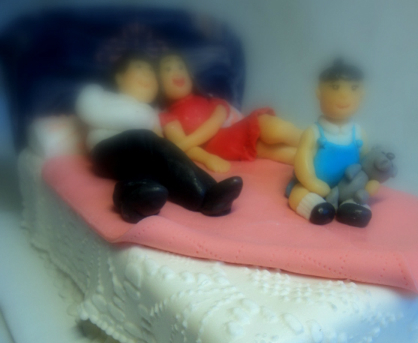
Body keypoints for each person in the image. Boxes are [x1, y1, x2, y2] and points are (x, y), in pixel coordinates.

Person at [76, 51, 243, 223]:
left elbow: (164, 146)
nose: (148, 75)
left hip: (135, 162)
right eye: (140, 67)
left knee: (162, 162)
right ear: (119, 76)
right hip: (105, 151)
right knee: (146, 140)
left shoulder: (154, 114)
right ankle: (204, 194)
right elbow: (90, 112)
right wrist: (145, 119)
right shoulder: (99, 94)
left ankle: (203, 196)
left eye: (152, 73)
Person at [158, 53, 303, 173]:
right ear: (159, 84)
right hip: (224, 148)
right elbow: (183, 147)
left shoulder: (208, 100)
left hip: (234, 131)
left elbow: (213, 122)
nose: (177, 72)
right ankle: (312, 160)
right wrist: (207, 158)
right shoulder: (167, 116)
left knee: (274, 128)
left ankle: (310, 140)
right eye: (168, 69)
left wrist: (183, 145)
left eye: (181, 67)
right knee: (276, 152)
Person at [287, 59, 379, 227]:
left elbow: (366, 161)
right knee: (298, 192)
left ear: (362, 94)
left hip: (348, 188)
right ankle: (316, 208)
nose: (344, 95)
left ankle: (351, 209)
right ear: (319, 93)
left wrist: (371, 181)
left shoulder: (359, 133)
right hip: (316, 186)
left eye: (353, 88)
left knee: (358, 196)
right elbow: (302, 158)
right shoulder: (314, 132)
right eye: (335, 87)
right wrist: (310, 181)